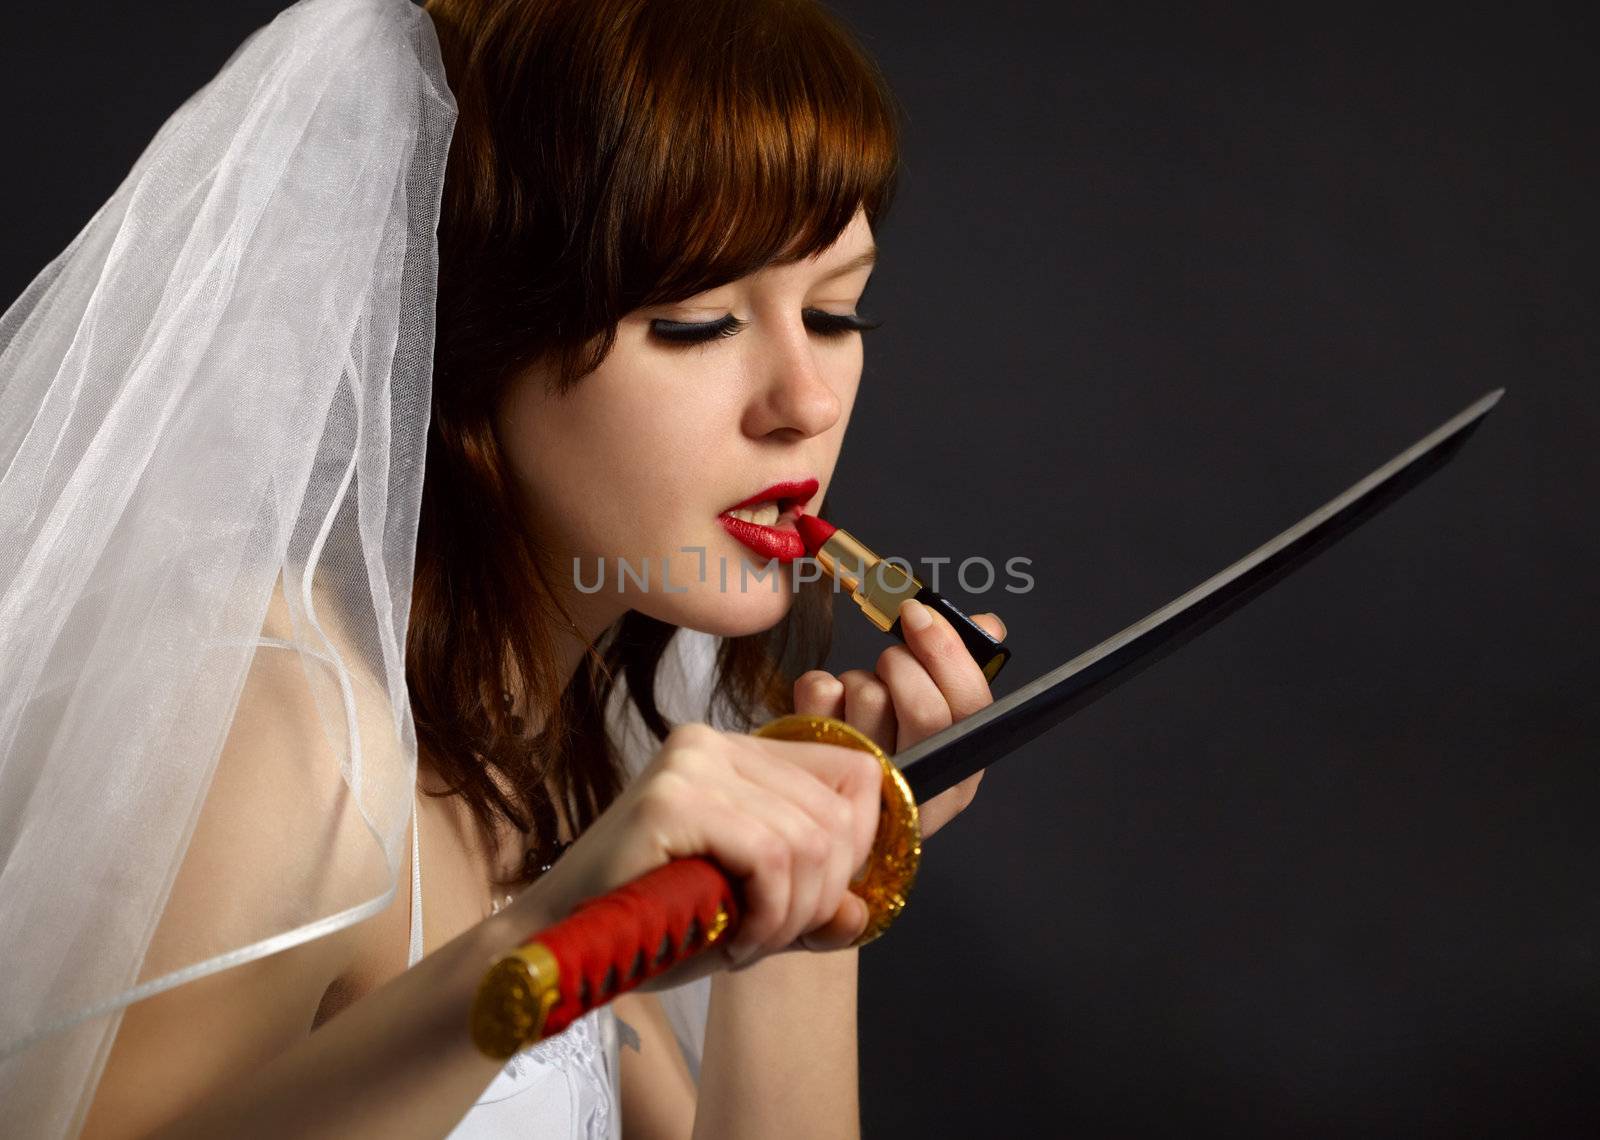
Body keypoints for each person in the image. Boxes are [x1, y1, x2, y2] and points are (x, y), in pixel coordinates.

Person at [0, 0, 1002, 1136]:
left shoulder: (552, 753)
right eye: (694, 322)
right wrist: (547, 940)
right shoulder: (285, 728)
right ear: (476, 337)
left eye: (833, 313)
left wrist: (828, 875)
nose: (806, 403)